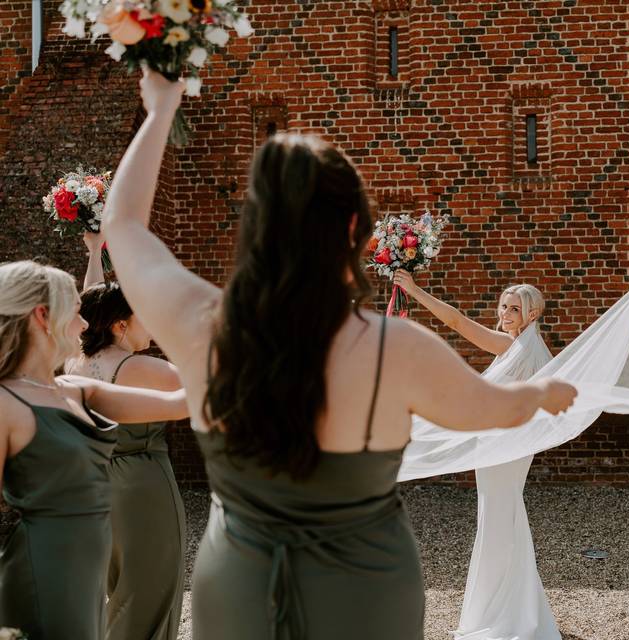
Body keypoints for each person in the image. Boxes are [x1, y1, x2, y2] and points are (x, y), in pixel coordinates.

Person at [101, 69, 577, 640]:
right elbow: (491, 409)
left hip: (241, 582)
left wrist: (160, 111)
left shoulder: (202, 322)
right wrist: (542, 391)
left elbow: (123, 226)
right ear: (356, 228)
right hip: (367, 585)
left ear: (254, 224)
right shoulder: (395, 345)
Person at [0, 260, 188, 640]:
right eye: (76, 312)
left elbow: (185, 401)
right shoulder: (5, 404)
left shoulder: (72, 388)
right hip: (43, 573)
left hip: (86, 574)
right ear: (42, 316)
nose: (86, 325)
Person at [395, 270, 560, 639]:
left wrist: (415, 290)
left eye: (513, 309)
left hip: (506, 449)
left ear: (531, 314)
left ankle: (506, 616)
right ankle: (513, 607)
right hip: (502, 447)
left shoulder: (523, 349)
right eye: (503, 306)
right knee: (502, 519)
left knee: (500, 520)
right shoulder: (521, 347)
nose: (504, 314)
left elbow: (455, 321)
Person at [67, 233, 185, 640]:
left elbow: (91, 298)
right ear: (120, 324)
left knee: (116, 587)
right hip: (143, 489)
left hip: (95, 486)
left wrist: (94, 253)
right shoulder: (141, 369)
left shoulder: (76, 360)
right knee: (153, 587)